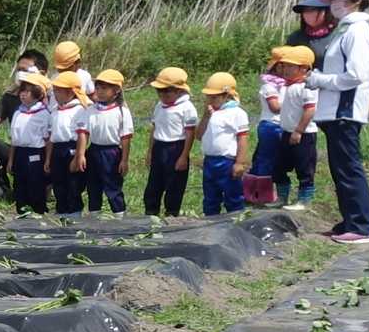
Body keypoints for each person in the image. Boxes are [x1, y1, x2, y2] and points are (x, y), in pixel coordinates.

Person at [311, 0, 369, 242]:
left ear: (357, 1)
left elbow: (356, 74)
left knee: (349, 169)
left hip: (344, 111)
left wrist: (319, 80)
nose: (335, 3)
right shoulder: (346, 28)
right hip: (333, 111)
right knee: (340, 170)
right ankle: (349, 221)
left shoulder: (358, 30)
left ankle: (362, 226)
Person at [259, 0, 334, 191]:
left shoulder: (335, 35)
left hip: (330, 91)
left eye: (315, 10)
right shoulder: (296, 37)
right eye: (306, 11)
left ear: (326, 11)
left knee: (312, 150)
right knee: (284, 158)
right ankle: (284, 193)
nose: (310, 14)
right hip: (300, 94)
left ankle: (308, 191)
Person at [143, 66, 198, 218]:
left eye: (167, 91)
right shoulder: (159, 106)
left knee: (174, 185)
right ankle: (151, 214)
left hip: (176, 148)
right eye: (159, 91)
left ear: (179, 91)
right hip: (159, 147)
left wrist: (183, 156)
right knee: (154, 184)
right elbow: (155, 129)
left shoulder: (186, 107)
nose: (162, 95)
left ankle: (171, 215)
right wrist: (150, 152)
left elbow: (190, 133)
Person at [83, 68, 135, 213]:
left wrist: (124, 160)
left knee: (112, 186)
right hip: (93, 150)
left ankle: (119, 217)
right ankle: (94, 217)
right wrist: (81, 155)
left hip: (111, 152)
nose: (99, 91)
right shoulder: (91, 110)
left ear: (117, 90)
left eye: (104, 88)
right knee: (93, 186)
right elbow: (84, 133)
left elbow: (125, 138)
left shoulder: (121, 111)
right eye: (97, 88)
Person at [198, 73, 251, 215]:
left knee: (232, 195)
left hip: (226, 162)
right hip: (210, 161)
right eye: (208, 97)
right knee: (210, 196)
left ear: (227, 96)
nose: (209, 100)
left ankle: (235, 221)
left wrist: (239, 163)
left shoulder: (236, 113)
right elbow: (199, 135)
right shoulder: (212, 113)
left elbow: (242, 138)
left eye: (214, 97)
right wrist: (205, 116)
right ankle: (210, 221)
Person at [275, 47, 320, 207]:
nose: (286, 70)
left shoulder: (306, 87)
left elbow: (310, 109)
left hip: (303, 134)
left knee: (304, 168)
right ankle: (282, 197)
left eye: (290, 66)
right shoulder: (289, 86)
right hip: (287, 133)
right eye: (284, 66)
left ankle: (304, 200)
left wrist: (298, 131)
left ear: (304, 68)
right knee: (279, 166)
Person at [6, 65, 53, 211]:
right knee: (20, 185)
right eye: (23, 91)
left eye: (28, 91)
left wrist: (48, 159)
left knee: (36, 185)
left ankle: (39, 211)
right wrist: (11, 159)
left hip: (36, 153)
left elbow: (47, 140)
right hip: (20, 152)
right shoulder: (18, 113)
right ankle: (22, 211)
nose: (24, 94)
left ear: (39, 94)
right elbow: (14, 139)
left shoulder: (43, 114)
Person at [46, 68, 88, 214]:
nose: (55, 94)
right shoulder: (56, 111)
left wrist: (78, 156)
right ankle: (62, 210)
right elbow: (51, 136)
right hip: (58, 149)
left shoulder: (79, 110)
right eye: (55, 90)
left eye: (59, 91)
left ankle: (75, 210)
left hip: (72, 148)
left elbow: (81, 135)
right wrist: (48, 158)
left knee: (73, 181)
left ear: (70, 93)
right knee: (58, 180)